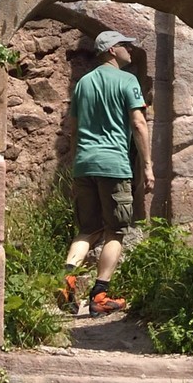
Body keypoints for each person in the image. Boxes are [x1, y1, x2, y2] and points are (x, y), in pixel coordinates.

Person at [60, 31, 150, 316]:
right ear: (112, 50)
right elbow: (138, 124)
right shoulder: (127, 81)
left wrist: (78, 162)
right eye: (125, 45)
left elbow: (72, 129)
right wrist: (147, 165)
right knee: (115, 230)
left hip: (84, 164)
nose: (130, 50)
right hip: (114, 165)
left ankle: (66, 282)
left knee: (88, 229)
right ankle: (99, 297)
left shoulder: (83, 83)